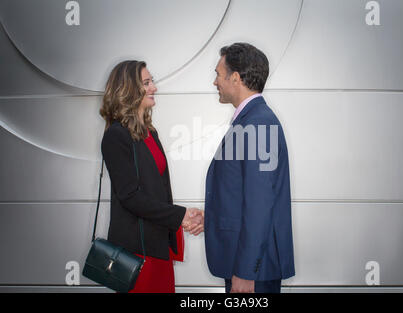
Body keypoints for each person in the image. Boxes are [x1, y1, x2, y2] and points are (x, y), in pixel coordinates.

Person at [99, 60, 203, 293]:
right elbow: (130, 196)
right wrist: (180, 215)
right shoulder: (116, 136)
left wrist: (181, 216)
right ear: (127, 90)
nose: (154, 87)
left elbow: (156, 191)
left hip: (158, 244)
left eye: (151, 81)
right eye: (146, 83)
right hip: (136, 253)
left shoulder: (149, 132)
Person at [204, 43, 295, 293]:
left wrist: (246, 271)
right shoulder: (252, 121)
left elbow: (260, 203)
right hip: (249, 265)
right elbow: (240, 192)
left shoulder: (258, 123)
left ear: (235, 78)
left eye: (218, 74)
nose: (215, 82)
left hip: (253, 271)